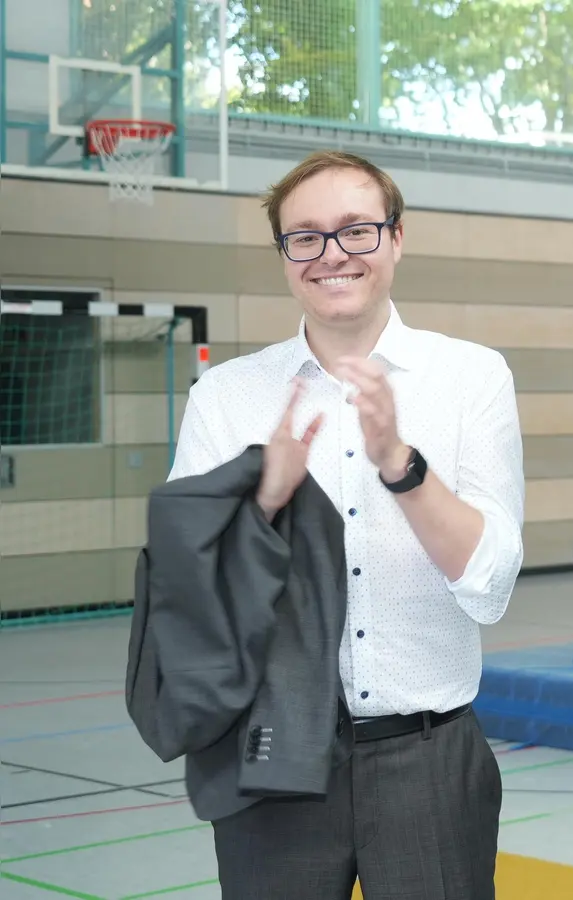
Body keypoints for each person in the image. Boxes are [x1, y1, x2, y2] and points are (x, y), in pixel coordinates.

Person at [167, 149, 524, 900]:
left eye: (357, 230)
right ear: (284, 255)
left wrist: (400, 463)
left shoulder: (471, 377)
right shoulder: (226, 397)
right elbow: (187, 602)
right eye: (306, 236)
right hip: (272, 757)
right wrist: (261, 509)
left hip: (429, 756)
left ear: (396, 239)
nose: (332, 254)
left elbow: (489, 586)